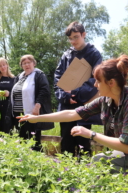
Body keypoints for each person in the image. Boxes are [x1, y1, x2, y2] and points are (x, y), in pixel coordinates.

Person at [19, 54, 128, 180]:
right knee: (99, 161)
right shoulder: (106, 100)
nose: (95, 85)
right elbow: (72, 113)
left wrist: (91, 134)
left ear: (111, 83)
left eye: (98, 81)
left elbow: (126, 145)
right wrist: (37, 118)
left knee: (104, 166)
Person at [54, 21, 102, 156]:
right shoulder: (66, 55)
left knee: (83, 145)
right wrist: (65, 96)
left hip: (84, 106)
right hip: (67, 106)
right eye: (70, 38)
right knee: (66, 143)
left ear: (84, 34)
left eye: (76, 37)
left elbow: (96, 78)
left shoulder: (94, 54)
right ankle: (65, 174)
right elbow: (57, 79)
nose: (73, 41)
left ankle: (84, 175)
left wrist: (76, 94)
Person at [11, 54, 54, 151]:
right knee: (22, 138)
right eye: (24, 63)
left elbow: (44, 91)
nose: (27, 65)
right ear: (21, 65)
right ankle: (23, 160)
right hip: (19, 113)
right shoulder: (19, 77)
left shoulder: (39, 74)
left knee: (34, 139)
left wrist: (37, 106)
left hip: (32, 112)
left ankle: (37, 160)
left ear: (34, 63)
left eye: (29, 62)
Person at [0, 57, 16, 134]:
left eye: (4, 65)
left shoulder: (14, 79)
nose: (2, 67)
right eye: (0, 66)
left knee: (8, 130)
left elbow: (18, 93)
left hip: (10, 109)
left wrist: (9, 93)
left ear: (7, 65)